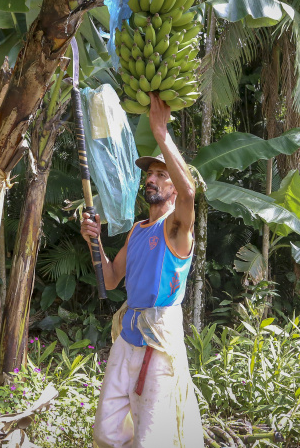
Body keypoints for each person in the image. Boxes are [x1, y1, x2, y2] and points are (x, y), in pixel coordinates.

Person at [81, 93, 204, 447]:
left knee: (153, 436)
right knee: (107, 430)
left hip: (159, 336)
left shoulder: (177, 229)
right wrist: (95, 241)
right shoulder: (137, 230)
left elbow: (189, 194)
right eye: (149, 174)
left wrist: (161, 132)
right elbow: (110, 278)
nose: (151, 179)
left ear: (172, 186)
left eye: (161, 175)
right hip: (129, 333)